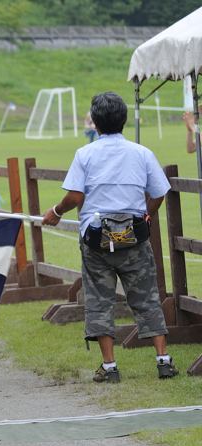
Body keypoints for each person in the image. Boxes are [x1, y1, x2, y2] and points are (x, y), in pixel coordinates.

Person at [42, 92, 179, 383]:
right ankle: (163, 360)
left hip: (96, 238)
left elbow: (76, 195)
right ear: (124, 120)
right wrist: (146, 214)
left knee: (99, 299)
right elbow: (159, 192)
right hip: (133, 235)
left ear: (96, 122)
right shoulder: (141, 153)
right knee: (146, 297)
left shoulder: (85, 154)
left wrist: (56, 211)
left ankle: (109, 366)